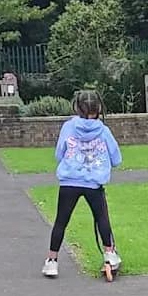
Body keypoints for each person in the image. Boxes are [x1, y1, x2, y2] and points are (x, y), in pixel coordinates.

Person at [42, 89, 122, 278]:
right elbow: (116, 158)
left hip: (69, 181)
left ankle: (52, 261)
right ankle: (110, 254)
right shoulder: (103, 130)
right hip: (94, 183)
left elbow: (58, 153)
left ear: (77, 107)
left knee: (61, 221)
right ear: (99, 108)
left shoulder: (69, 127)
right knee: (102, 218)